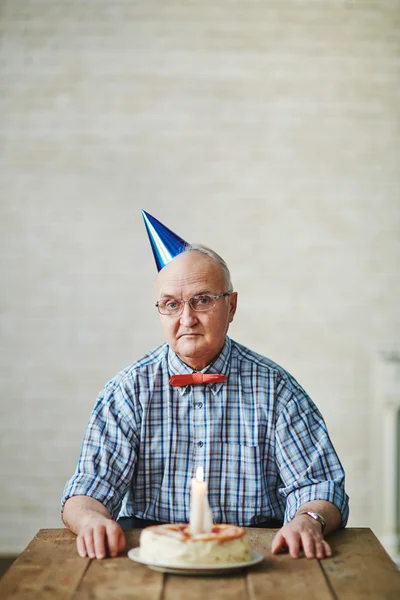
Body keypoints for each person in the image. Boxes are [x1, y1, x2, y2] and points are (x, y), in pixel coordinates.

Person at [61, 212, 349, 561]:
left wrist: (308, 520)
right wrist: (90, 519)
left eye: (202, 300)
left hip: (256, 551)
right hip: (152, 552)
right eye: (171, 304)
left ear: (232, 306)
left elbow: (319, 484)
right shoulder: (127, 390)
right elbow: (90, 488)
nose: (187, 319)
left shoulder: (277, 390)